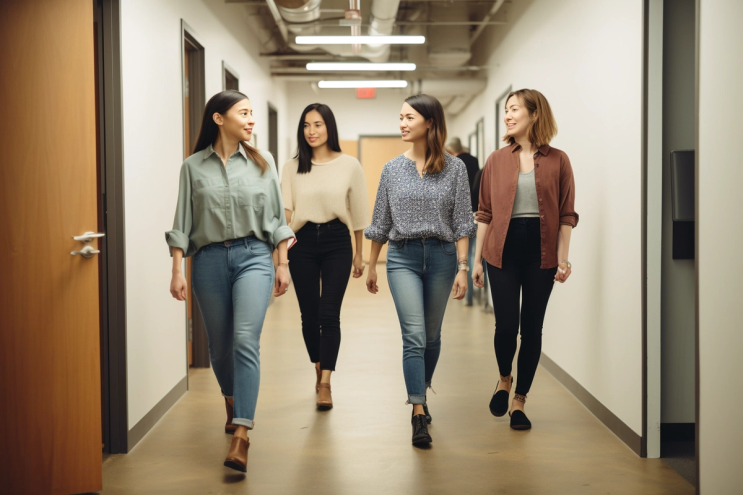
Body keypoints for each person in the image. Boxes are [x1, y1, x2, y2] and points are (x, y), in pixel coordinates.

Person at [166, 90, 294, 472]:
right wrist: (176, 269)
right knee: (219, 348)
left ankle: (242, 432)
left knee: (244, 340)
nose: (252, 119)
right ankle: (231, 398)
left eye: (253, 113)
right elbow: (181, 224)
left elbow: (276, 218)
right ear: (219, 118)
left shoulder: (262, 161)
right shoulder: (192, 167)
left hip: (254, 257)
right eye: (244, 113)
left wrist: (282, 262)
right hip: (207, 261)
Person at [365, 94, 476, 446]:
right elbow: (380, 221)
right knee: (413, 335)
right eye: (400, 117)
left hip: (443, 257)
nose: (402, 123)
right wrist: (371, 265)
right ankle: (418, 409)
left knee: (431, 336)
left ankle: (421, 390)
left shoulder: (455, 168)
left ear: (429, 122)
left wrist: (462, 266)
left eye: (408, 117)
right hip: (403, 257)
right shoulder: (391, 169)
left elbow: (462, 222)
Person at [472, 89, 578, 431]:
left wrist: (563, 259)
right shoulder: (496, 159)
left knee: (532, 330)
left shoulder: (559, 160)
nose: (507, 115)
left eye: (514, 109)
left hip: (542, 253)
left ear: (534, 114)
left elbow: (566, 214)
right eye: (506, 110)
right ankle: (504, 378)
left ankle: (519, 402)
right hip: (501, 250)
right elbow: (485, 212)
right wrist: (474, 262)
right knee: (506, 327)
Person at [281, 103, 369, 410]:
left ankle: (326, 383)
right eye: (306, 125)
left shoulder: (349, 165)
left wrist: (360, 255)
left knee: (330, 313)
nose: (311, 131)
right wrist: (280, 256)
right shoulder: (292, 167)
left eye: (317, 124)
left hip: (336, 242)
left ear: (329, 127)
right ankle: (318, 367)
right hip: (301, 242)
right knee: (310, 315)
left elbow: (358, 215)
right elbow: (287, 214)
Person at [447, 137, 480, 306]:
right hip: (477, 212)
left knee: (464, 254)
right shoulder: (474, 161)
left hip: (462, 213)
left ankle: (466, 296)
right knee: (476, 255)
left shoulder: (454, 163)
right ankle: (479, 293)